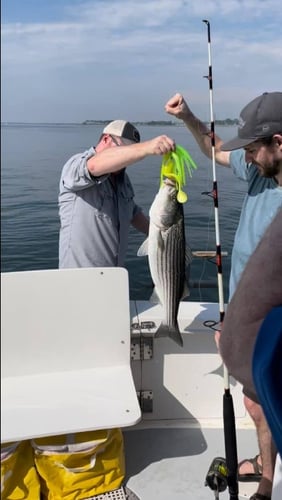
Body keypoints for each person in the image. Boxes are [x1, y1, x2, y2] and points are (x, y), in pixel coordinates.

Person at [165, 91, 282, 500]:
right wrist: (188, 118)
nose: (246, 158)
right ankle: (268, 474)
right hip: (246, 318)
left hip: (270, 324)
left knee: (266, 401)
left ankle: (267, 482)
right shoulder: (259, 172)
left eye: (252, 149)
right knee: (256, 405)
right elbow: (214, 149)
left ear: (278, 142)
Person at [59, 119, 175, 268]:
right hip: (78, 278)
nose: (127, 159)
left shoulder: (123, 180)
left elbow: (132, 213)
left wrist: (163, 234)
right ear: (106, 139)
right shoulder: (75, 166)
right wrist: (145, 148)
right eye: (124, 151)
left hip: (113, 277)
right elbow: (93, 166)